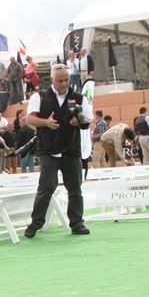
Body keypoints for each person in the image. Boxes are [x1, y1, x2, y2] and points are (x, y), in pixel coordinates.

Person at [23, 64, 90, 237]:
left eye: (66, 80)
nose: (64, 83)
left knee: (75, 189)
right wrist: (46, 122)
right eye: (60, 80)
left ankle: (77, 223)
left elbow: (86, 121)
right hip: (47, 149)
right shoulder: (40, 96)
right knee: (47, 186)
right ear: (52, 80)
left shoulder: (79, 98)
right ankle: (35, 223)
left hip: (71, 150)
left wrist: (78, 122)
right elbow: (29, 118)